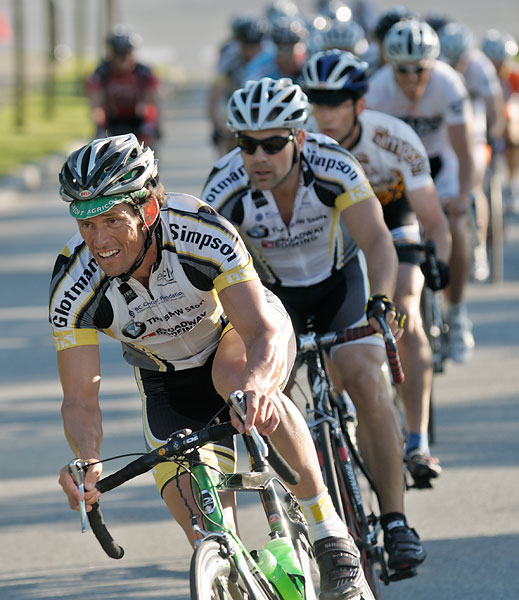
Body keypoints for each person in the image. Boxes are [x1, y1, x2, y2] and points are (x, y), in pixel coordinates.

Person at [52, 133, 368, 600]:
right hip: (166, 383)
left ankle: (329, 532)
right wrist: (86, 459)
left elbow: (262, 331)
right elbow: (80, 399)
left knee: (236, 381)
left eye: (112, 221)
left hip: (239, 336)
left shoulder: (200, 231)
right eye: (86, 224)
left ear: (149, 212)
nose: (98, 241)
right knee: (211, 537)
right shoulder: (74, 283)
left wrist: (259, 385)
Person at [201, 77, 427, 573]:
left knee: (365, 375)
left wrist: (383, 300)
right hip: (270, 296)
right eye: (246, 143)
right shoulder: (225, 186)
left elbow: (377, 242)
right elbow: (208, 276)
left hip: (336, 285)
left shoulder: (332, 165)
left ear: (299, 139)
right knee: (250, 393)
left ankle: (394, 520)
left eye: (272, 144)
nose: (258, 156)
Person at [301, 49, 451, 484]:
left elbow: (435, 219)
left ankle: (418, 440)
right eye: (318, 103)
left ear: (359, 105)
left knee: (403, 304)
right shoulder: (300, 142)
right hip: (335, 232)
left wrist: (437, 259)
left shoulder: (394, 138)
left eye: (336, 104)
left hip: (393, 218)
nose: (324, 115)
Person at [365, 18, 475, 364]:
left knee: (454, 225)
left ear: (433, 65)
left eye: (420, 69)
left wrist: (463, 196)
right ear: (389, 65)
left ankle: (456, 313)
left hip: (439, 166)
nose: (412, 78)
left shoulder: (448, 83)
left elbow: (465, 149)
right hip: (396, 177)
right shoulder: (378, 89)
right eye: (403, 70)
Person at [438, 22, 506, 282]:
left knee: (474, 178)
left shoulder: (480, 66)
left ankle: (477, 247)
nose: (458, 65)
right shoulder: (440, 69)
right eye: (452, 60)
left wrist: (494, 135)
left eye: (462, 59)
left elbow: (495, 109)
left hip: (475, 130)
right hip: (447, 132)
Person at [86, 25, 161, 149]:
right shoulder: (102, 73)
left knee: (150, 147)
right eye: (118, 54)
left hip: (138, 120)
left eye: (126, 53)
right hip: (112, 122)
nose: (122, 60)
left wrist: (152, 125)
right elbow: (96, 104)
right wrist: (100, 126)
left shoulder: (144, 73)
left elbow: (154, 100)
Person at [208, 15, 270, 156]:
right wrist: (216, 125)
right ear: (239, 42)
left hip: (263, 105)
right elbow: (216, 91)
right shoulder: (229, 56)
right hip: (234, 102)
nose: (251, 51)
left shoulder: (269, 56)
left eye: (255, 45)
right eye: (247, 45)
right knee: (229, 137)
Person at [481, 29, 519, 211]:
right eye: (494, 63)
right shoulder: (479, 75)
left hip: (505, 118)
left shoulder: (513, 78)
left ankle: (511, 182)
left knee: (510, 126)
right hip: (484, 118)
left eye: (502, 63)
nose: (498, 68)